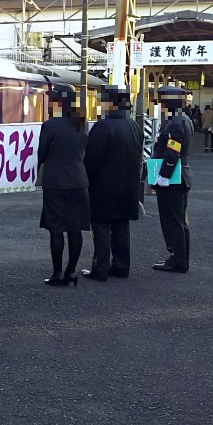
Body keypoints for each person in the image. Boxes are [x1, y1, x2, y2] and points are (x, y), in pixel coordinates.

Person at [81, 86, 144, 281]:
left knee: (101, 227)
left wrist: (85, 181)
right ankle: (121, 266)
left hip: (104, 187)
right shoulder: (134, 126)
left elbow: (92, 159)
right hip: (128, 186)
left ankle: (100, 269)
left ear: (111, 103)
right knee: (121, 226)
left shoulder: (103, 126)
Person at [37, 83, 90, 287]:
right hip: (78, 181)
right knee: (75, 229)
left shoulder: (50, 125)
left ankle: (57, 273)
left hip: (55, 182)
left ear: (59, 101)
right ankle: (71, 271)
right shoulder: (81, 124)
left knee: (56, 229)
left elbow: (42, 154)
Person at [151, 85, 194, 273]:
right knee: (180, 221)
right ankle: (181, 258)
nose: (159, 104)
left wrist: (163, 175)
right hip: (182, 176)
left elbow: (172, 151)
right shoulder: (184, 119)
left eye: (161, 100)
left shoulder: (175, 122)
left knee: (172, 221)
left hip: (173, 178)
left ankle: (177, 259)